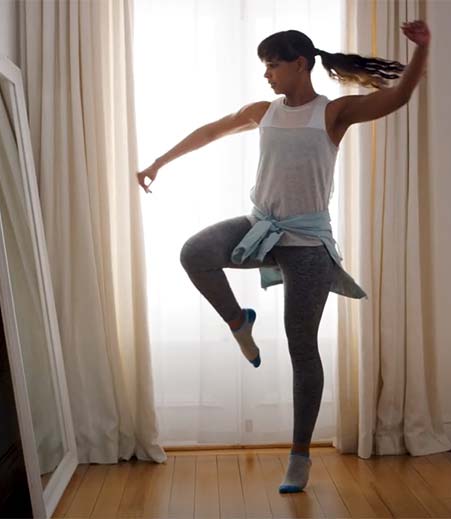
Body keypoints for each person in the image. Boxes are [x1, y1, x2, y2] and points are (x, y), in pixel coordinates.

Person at [137, 20, 431, 493]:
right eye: (264, 66)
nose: (267, 74)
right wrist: (158, 163)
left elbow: (397, 98)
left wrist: (422, 51)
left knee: (302, 346)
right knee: (195, 253)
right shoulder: (263, 111)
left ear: (301, 64)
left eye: (273, 64)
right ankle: (239, 323)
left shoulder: (332, 114)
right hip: (260, 227)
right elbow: (211, 132)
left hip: (308, 245)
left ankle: (299, 456)